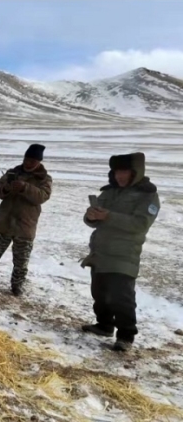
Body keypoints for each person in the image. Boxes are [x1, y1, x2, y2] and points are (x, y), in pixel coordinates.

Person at [80, 151, 160, 352]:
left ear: (136, 172)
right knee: (99, 293)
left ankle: (125, 336)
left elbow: (140, 224)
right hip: (100, 252)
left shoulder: (148, 195)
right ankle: (104, 325)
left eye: (124, 172)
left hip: (124, 255)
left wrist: (109, 216)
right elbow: (94, 220)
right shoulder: (109, 192)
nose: (120, 176)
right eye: (117, 172)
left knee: (121, 297)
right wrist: (91, 216)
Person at [0, 143, 52, 296]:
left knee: (21, 262)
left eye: (32, 161)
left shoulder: (44, 178)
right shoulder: (12, 173)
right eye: (27, 159)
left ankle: (17, 288)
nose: (28, 163)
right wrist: (6, 188)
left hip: (25, 226)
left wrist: (25, 188)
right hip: (4, 223)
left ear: (39, 162)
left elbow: (42, 197)